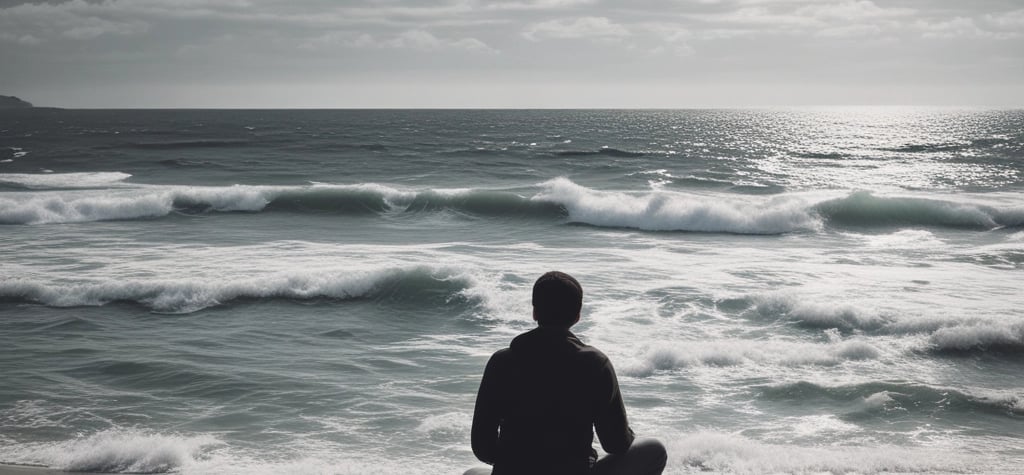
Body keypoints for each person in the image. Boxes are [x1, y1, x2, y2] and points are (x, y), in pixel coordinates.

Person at [464, 271, 667, 475]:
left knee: (472, 473)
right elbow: (615, 444)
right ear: (578, 315)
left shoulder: (502, 361)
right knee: (654, 450)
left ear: (535, 312)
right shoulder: (596, 364)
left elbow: (483, 447)